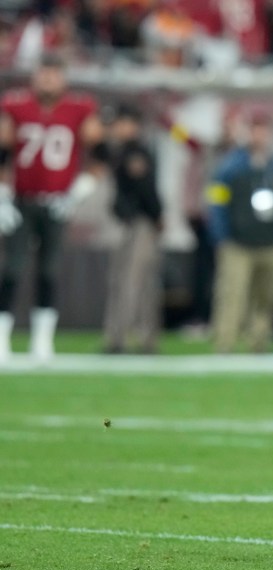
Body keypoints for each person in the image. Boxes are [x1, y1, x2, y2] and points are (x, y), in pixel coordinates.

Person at [0, 53, 104, 362]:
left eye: (53, 74)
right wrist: (2, 195)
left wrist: (77, 192)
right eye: (43, 74)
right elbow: (2, 152)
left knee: (50, 270)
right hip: (21, 200)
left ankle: (42, 341)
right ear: (34, 77)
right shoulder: (16, 107)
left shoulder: (79, 109)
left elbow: (99, 155)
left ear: (63, 78)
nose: (47, 80)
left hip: (58, 200)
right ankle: (2, 341)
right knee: (12, 269)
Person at [207, 111, 273, 353]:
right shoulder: (230, 166)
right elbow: (217, 201)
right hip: (238, 243)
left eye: (264, 130)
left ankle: (259, 340)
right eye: (255, 129)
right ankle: (225, 341)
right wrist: (221, 236)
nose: (259, 135)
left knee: (267, 296)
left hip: (272, 241)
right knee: (232, 295)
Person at [103, 104, 163, 354]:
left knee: (132, 281)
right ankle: (137, 338)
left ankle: (125, 338)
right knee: (131, 281)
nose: (116, 128)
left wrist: (157, 215)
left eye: (120, 123)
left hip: (139, 223)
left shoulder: (135, 153)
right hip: (132, 223)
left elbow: (147, 191)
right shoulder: (122, 151)